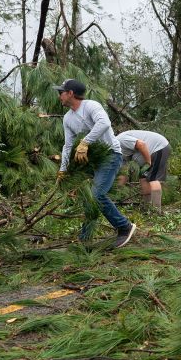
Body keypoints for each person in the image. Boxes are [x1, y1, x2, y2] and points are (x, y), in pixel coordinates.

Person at [55, 79, 136, 249]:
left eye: (61, 92)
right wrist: (63, 169)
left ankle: (124, 227)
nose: (59, 96)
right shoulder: (67, 118)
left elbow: (104, 123)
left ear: (70, 93)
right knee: (88, 197)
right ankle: (85, 237)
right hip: (93, 161)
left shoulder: (91, 106)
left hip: (110, 155)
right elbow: (68, 145)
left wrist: (85, 142)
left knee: (97, 195)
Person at [117, 129, 171, 212]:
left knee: (153, 178)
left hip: (159, 147)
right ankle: (146, 209)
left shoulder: (120, 140)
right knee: (143, 179)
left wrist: (148, 162)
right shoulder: (119, 153)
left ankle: (156, 212)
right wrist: (116, 189)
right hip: (148, 153)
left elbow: (141, 145)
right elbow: (123, 173)